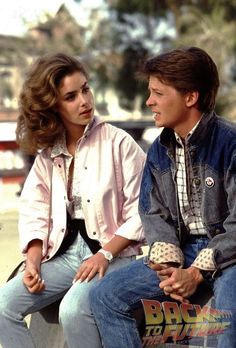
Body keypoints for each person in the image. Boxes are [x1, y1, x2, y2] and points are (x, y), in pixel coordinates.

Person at [89, 46, 236, 348]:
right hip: (182, 250)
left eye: (157, 93)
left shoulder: (230, 144)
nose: (149, 102)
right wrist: (170, 265)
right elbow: (152, 212)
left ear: (190, 97)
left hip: (228, 255)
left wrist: (195, 273)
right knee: (104, 296)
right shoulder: (158, 150)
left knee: (226, 320)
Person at [0, 52, 146, 348]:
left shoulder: (119, 142)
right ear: (52, 105)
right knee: (4, 305)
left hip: (114, 254)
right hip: (64, 255)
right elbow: (35, 209)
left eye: (86, 89)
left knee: (73, 309)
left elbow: (144, 210)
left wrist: (104, 254)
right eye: (71, 96)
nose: (84, 101)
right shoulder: (48, 154)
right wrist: (33, 260)